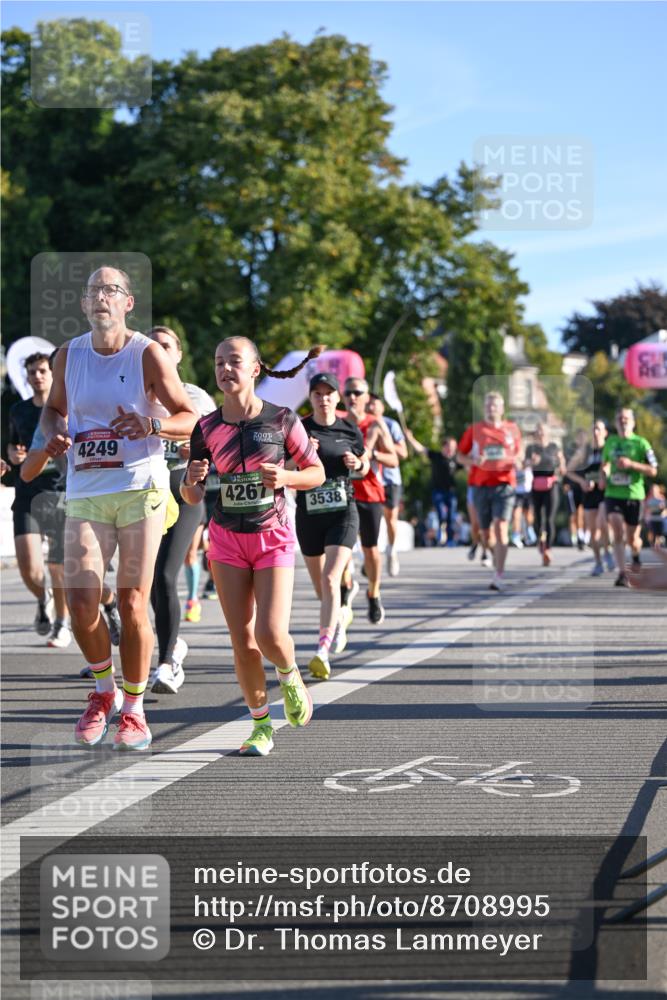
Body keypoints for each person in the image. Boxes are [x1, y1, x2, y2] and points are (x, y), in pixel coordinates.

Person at [41, 265, 197, 751]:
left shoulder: (147, 353)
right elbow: (52, 409)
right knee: (81, 600)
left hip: (138, 488)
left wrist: (151, 427)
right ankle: (103, 692)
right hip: (87, 489)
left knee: (131, 601)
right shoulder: (69, 355)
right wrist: (54, 434)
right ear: (84, 304)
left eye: (111, 290)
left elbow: (190, 416)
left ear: (128, 303)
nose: (101, 297)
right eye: (93, 291)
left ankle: (134, 709)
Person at [181, 337, 325, 757]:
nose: (225, 369)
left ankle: (289, 673)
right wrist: (190, 479)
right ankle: (261, 725)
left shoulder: (282, 419)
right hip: (226, 540)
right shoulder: (206, 427)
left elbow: (316, 472)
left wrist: (287, 478)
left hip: (271, 537)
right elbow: (191, 496)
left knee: (270, 634)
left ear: (255, 369)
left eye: (234, 361)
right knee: (242, 639)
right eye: (218, 362)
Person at [20, 357, 122, 652]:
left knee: (92, 579)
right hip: (72, 499)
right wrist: (49, 446)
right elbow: (27, 472)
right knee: (67, 571)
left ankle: (112, 604)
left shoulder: (112, 398)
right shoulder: (51, 418)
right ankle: (67, 624)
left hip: (120, 499)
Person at [147, 326, 217, 694]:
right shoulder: (135, 394)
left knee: (164, 574)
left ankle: (166, 663)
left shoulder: (195, 397)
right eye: (151, 345)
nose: (157, 350)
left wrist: (199, 451)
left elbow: (219, 445)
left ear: (178, 355)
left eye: (165, 345)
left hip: (183, 491)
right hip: (142, 494)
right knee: (142, 581)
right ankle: (169, 643)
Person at [295, 372, 368, 678]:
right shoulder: (299, 429)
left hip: (343, 512)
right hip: (309, 515)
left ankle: (322, 650)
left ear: (337, 398)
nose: (323, 398)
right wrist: (303, 454)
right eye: (317, 393)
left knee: (330, 578)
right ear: (310, 398)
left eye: (329, 393)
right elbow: (285, 469)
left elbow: (365, 465)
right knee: (321, 588)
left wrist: (358, 464)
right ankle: (338, 613)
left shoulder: (349, 428)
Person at [7, 352, 59, 636]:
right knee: (29, 567)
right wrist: (13, 455)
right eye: (32, 372)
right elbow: (12, 446)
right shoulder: (18, 410)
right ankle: (43, 597)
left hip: (60, 493)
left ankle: (63, 623)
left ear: (52, 374)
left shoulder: (66, 408)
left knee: (60, 566)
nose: (37, 377)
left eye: (42, 371)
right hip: (27, 493)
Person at [342, 376, 398, 624]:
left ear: (367, 398)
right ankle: (345, 586)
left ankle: (374, 593)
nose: (352, 397)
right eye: (348, 393)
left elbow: (394, 459)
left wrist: (373, 453)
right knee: (340, 546)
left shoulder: (375, 425)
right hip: (342, 493)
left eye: (357, 393)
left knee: (370, 549)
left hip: (370, 492)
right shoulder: (337, 423)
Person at [457, 391, 522, 591]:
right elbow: (459, 456)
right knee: (485, 535)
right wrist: (473, 461)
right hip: (481, 486)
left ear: (502, 409)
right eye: (487, 405)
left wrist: (516, 461)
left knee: (501, 528)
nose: (490, 408)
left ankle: (499, 574)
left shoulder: (512, 429)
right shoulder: (475, 430)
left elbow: (520, 455)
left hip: (504, 485)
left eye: (494, 405)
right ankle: (497, 560)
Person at [601, 407, 658, 587]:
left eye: (626, 418)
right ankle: (622, 573)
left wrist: (632, 464)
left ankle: (635, 554)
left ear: (633, 422)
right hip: (613, 493)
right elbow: (605, 464)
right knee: (617, 529)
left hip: (634, 495)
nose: (622, 421)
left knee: (633, 539)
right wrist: (604, 474)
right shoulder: (610, 442)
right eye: (619, 418)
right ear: (616, 422)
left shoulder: (641, 443)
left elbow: (653, 470)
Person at [565, 419, 615, 576]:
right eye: (593, 429)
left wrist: (604, 477)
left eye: (599, 429)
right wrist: (582, 482)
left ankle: (608, 551)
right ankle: (598, 562)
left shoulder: (609, 448)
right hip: (589, 493)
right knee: (592, 530)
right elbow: (568, 470)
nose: (595, 432)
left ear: (605, 433)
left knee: (602, 523)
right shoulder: (585, 451)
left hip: (605, 492)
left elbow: (610, 466)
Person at [367, 393, 407, 575]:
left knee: (391, 518)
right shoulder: (361, 424)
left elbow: (403, 453)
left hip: (390, 478)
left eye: (375, 404)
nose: (371, 407)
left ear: (382, 407)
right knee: (367, 520)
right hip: (369, 479)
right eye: (368, 404)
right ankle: (368, 555)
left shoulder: (391, 425)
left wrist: (383, 442)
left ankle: (392, 550)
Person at [405, 430, 460, 547]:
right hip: (438, 491)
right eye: (449, 447)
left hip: (451, 492)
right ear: (444, 447)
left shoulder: (455, 459)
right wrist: (410, 438)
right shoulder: (436, 456)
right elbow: (421, 449)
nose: (451, 450)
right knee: (441, 513)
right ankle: (441, 529)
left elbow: (469, 463)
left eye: (454, 448)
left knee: (451, 516)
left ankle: (450, 540)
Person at [525, 423, 566, 567]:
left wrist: (562, 467)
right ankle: (540, 540)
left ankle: (547, 548)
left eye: (543, 431)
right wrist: (531, 462)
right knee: (537, 518)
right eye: (538, 431)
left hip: (551, 485)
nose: (541, 434)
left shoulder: (554, 447)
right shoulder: (531, 448)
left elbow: (561, 460)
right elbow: (524, 464)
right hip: (536, 485)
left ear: (548, 433)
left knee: (549, 518)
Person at [563, 428, 588, 549]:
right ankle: (578, 535)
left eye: (583, 437)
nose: (581, 440)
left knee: (586, 512)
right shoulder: (571, 453)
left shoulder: (590, 452)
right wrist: (565, 483)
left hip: (588, 486)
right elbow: (567, 470)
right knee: (575, 512)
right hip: (574, 486)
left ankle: (587, 536)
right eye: (579, 437)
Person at [644, 483, 666, 548]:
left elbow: (665, 510)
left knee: (659, 534)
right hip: (651, 519)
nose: (653, 491)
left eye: (655, 490)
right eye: (652, 490)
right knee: (651, 533)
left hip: (659, 519)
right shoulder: (648, 499)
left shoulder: (661, 499)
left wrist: (663, 511)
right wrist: (646, 516)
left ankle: (658, 546)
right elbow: (646, 509)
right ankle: (652, 545)